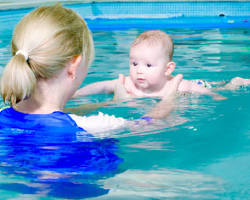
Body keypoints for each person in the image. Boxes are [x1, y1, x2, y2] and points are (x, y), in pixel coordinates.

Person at [0, 5, 182, 137]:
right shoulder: (92, 126)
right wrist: (170, 96)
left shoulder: (2, 114)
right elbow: (146, 124)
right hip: (81, 186)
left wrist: (112, 104)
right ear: (74, 65)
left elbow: (50, 117)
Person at [74, 30, 249, 101]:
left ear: (168, 69)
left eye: (148, 65)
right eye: (134, 63)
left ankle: (235, 82)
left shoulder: (177, 85)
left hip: (199, 84)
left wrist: (215, 96)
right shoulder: (128, 83)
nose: (139, 70)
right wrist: (78, 93)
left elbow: (202, 92)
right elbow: (102, 86)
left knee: (224, 87)